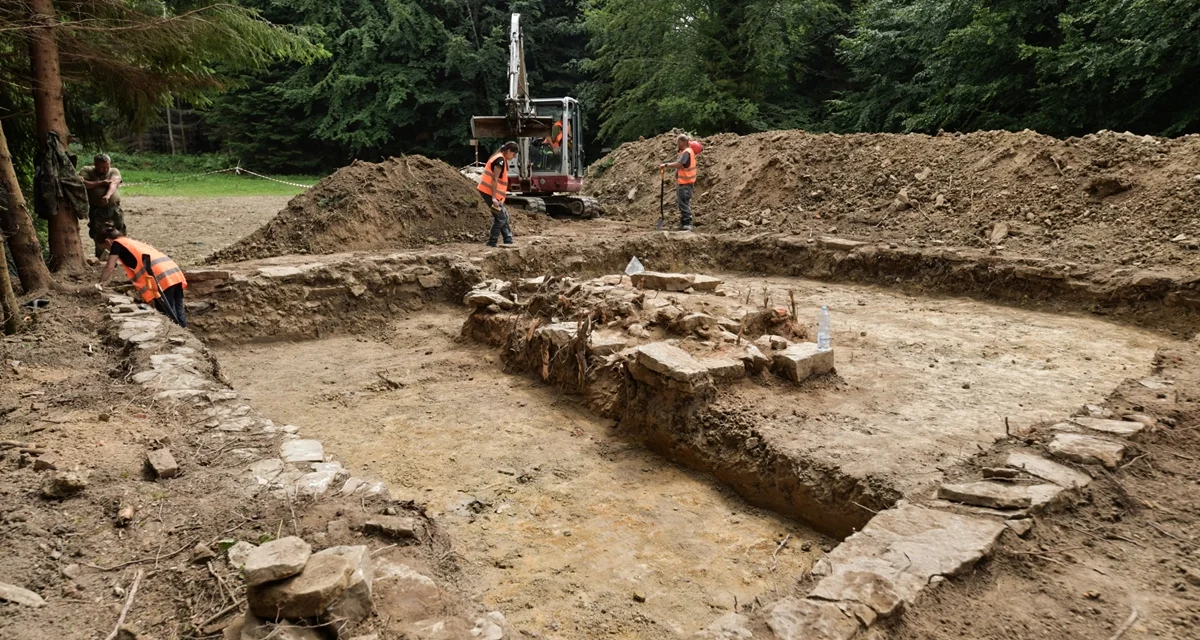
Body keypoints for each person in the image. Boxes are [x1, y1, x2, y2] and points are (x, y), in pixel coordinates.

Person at [96, 228, 188, 327]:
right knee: (178, 310)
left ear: (107, 241)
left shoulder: (117, 244)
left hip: (162, 278)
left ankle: (175, 334)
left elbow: (109, 267)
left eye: (105, 247)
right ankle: (184, 332)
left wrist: (100, 283)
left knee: (168, 313)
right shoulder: (131, 242)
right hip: (174, 273)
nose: (109, 251)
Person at [80, 153, 125, 259]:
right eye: (101, 167)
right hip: (97, 209)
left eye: (107, 167)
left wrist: (107, 195)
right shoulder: (87, 170)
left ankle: (121, 255)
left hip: (114, 208)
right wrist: (101, 183)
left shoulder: (114, 171)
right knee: (99, 233)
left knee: (119, 230)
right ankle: (102, 257)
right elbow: (82, 183)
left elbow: (114, 183)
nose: (105, 170)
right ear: (95, 165)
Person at [477, 141, 519, 247]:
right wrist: (494, 198)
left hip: (490, 192)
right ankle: (492, 241)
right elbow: (494, 179)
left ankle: (508, 240)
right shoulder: (500, 160)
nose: (513, 157)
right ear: (508, 151)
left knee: (503, 216)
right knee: (500, 218)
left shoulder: (500, 158)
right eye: (513, 155)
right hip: (489, 192)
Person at [658, 134, 697, 231]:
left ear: (682, 142)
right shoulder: (685, 152)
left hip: (685, 182)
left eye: (678, 142)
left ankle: (688, 223)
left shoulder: (686, 152)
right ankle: (683, 222)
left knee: (683, 203)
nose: (677, 144)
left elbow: (679, 164)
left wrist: (666, 165)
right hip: (683, 182)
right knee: (682, 202)